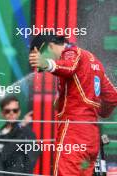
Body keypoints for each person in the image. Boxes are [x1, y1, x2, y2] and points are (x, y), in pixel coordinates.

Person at [28, 34, 117, 176]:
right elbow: (112, 97)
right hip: (91, 138)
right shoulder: (94, 61)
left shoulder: (70, 52)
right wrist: (94, 111)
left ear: (50, 46)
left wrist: (47, 64)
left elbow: (70, 67)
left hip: (73, 133)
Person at [0, 96, 39, 174]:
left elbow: (32, 157)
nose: (11, 113)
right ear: (2, 113)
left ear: (19, 112)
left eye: (15, 110)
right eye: (7, 111)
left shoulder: (26, 132)